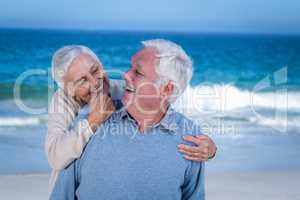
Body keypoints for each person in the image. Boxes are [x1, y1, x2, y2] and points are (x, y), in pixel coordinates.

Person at [46, 45, 216, 192]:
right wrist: (93, 121)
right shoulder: (63, 100)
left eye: (95, 70)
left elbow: (161, 109)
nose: (94, 83)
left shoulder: (122, 90)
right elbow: (55, 157)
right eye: (82, 80)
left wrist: (207, 147)